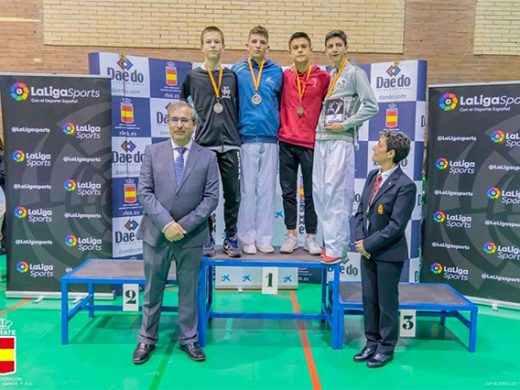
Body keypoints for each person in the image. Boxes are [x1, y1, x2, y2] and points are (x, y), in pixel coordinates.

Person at [133, 102, 219, 365]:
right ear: (167, 123)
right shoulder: (152, 152)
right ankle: (147, 338)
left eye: (185, 120)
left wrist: (184, 226)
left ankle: (189, 339)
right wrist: (166, 224)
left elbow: (211, 198)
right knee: (152, 289)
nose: (179, 125)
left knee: (189, 290)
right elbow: (144, 193)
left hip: (191, 236)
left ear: (194, 125)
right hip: (156, 234)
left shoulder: (208, 157)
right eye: (174, 120)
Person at [313, 29, 379, 264]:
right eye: (330, 46)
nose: (334, 49)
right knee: (320, 193)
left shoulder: (354, 73)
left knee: (336, 192)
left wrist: (346, 124)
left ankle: (338, 248)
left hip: (341, 140)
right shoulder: (329, 75)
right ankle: (328, 243)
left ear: (346, 47)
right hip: (321, 139)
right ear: (325, 50)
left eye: (338, 45)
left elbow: (371, 106)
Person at [353, 131, 416, 368]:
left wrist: (368, 244)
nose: (373, 148)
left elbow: (396, 226)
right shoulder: (372, 176)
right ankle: (371, 342)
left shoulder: (405, 186)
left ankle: (386, 347)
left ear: (390, 153)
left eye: (378, 145)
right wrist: (360, 239)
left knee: (386, 302)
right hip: (367, 251)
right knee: (369, 299)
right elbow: (360, 212)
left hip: (388, 253)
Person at [181, 25, 242, 257]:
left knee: (233, 194)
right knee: (205, 195)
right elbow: (182, 106)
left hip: (231, 144)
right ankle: (207, 237)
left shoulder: (231, 77)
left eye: (217, 41)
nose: (213, 45)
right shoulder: (192, 77)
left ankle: (231, 237)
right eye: (209, 42)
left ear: (223, 46)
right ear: (202, 47)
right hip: (204, 144)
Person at [232, 25, 283, 254]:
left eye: (262, 42)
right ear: (247, 45)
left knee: (267, 191)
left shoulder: (276, 72)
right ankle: (246, 237)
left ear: (268, 47)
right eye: (254, 41)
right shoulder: (237, 70)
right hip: (246, 138)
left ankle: (264, 237)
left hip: (270, 138)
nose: (258, 45)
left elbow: (281, 103)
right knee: (247, 190)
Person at [278, 32, 330, 255]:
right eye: (296, 47)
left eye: (304, 46)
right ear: (290, 52)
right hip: (286, 141)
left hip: (311, 143)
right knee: (288, 192)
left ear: (311, 50)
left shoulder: (323, 77)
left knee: (311, 193)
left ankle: (310, 237)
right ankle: (291, 235)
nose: (300, 50)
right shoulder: (284, 76)